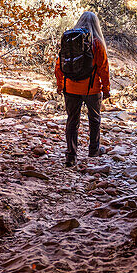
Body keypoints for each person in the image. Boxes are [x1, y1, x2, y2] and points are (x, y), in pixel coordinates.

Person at [55, 11, 111, 167]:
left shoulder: (69, 40)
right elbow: (103, 69)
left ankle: (70, 157)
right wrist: (106, 89)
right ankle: (94, 149)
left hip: (70, 88)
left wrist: (61, 85)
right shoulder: (96, 43)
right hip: (91, 89)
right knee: (94, 119)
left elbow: (59, 65)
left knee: (72, 121)